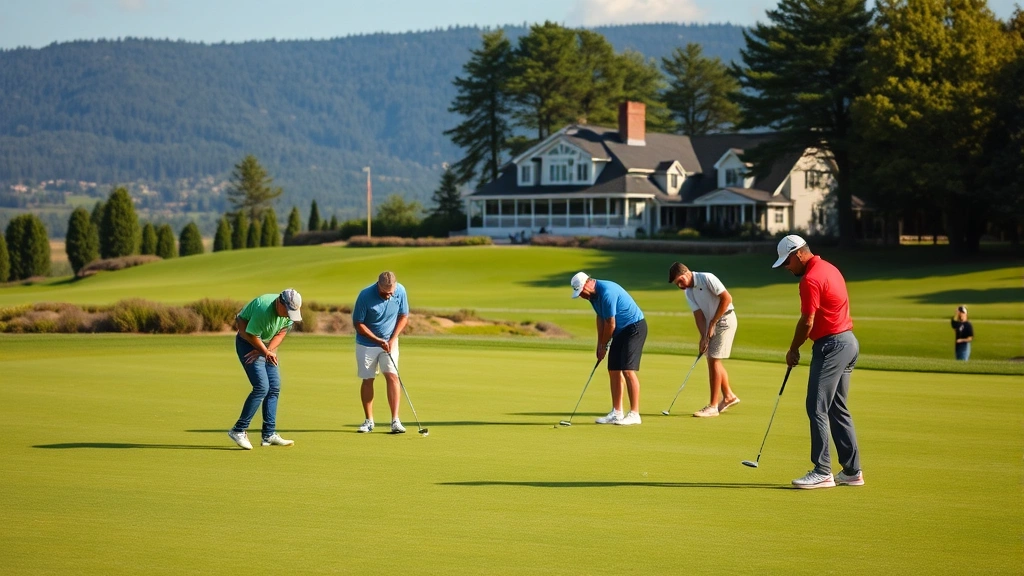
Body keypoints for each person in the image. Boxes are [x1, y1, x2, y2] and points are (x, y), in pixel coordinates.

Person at [773, 235, 863, 489]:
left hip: (832, 345)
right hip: (848, 342)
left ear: (798, 254)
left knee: (816, 406)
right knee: (836, 408)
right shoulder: (830, 268)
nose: (787, 268)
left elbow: (807, 321)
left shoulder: (810, 280)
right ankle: (852, 471)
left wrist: (793, 349)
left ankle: (822, 470)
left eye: (787, 262)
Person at [227, 289, 302, 450]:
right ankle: (238, 430)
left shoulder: (289, 312)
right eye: (288, 311)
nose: (290, 315)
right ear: (280, 303)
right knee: (261, 387)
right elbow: (250, 333)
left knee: (274, 387)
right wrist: (263, 350)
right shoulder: (264, 308)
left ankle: (269, 434)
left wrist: (267, 350)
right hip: (247, 341)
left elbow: (281, 333)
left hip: (266, 345)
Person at [571, 271, 647, 426]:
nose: (581, 296)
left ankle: (634, 414)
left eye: (581, 292)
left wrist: (604, 345)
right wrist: (600, 344)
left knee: (627, 370)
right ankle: (617, 413)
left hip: (634, 328)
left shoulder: (606, 292)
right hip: (620, 330)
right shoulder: (592, 295)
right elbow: (600, 318)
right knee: (613, 370)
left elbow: (610, 323)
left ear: (588, 283)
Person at [668, 262, 740, 418]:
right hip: (711, 324)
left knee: (713, 360)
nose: (679, 285)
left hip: (725, 320)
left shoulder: (707, 278)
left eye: (680, 280)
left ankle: (713, 406)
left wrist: (713, 323)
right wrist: (703, 337)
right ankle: (728, 396)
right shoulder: (688, 292)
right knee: (712, 358)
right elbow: (698, 315)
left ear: (686, 273)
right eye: (676, 284)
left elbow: (727, 298)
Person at [353, 271, 410, 434]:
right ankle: (369, 421)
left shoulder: (400, 291)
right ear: (378, 285)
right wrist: (378, 341)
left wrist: (392, 339)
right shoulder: (365, 295)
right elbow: (358, 324)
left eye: (391, 292)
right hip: (367, 344)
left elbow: (403, 316)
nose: (389, 295)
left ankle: (395, 421)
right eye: (385, 293)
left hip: (390, 341)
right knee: (368, 378)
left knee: (392, 375)